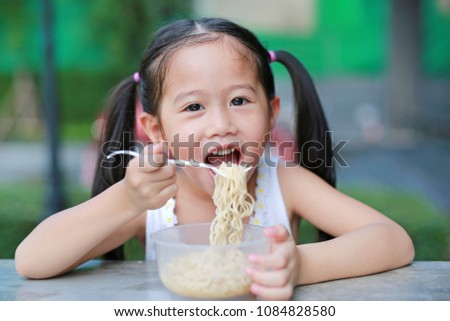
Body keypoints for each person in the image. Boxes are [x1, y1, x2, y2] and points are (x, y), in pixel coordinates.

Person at [15, 17, 414, 300]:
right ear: (156, 130)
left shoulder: (283, 182)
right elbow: (32, 260)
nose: (221, 124)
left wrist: (298, 265)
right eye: (193, 107)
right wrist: (125, 200)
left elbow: (393, 241)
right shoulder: (152, 203)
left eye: (240, 100)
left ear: (272, 113)